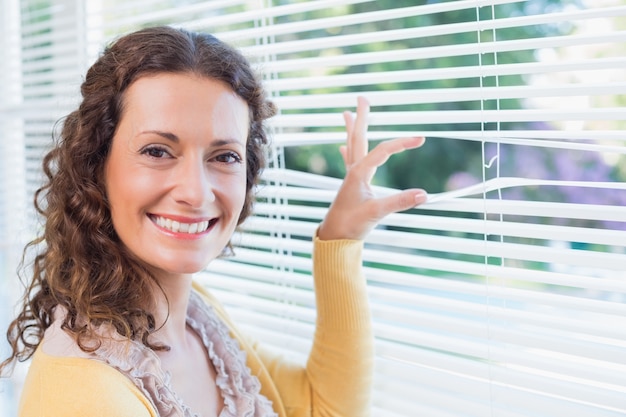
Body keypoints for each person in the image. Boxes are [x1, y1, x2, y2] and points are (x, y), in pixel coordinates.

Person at [0, 26, 427, 417]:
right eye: (157, 151)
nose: (196, 192)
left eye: (224, 157)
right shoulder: (84, 394)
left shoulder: (196, 320)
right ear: (96, 167)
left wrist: (342, 236)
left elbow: (319, 407)